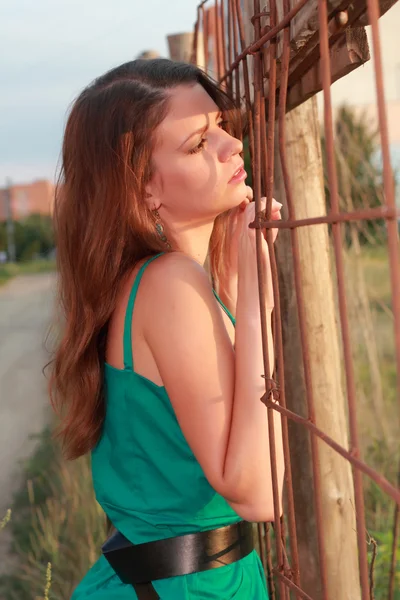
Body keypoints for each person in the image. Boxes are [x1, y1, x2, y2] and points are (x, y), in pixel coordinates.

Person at [50, 58, 285, 600]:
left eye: (223, 126)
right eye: (198, 143)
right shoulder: (168, 284)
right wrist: (258, 299)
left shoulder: (168, 282)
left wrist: (232, 285)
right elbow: (258, 491)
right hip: (187, 587)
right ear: (144, 188)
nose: (233, 146)